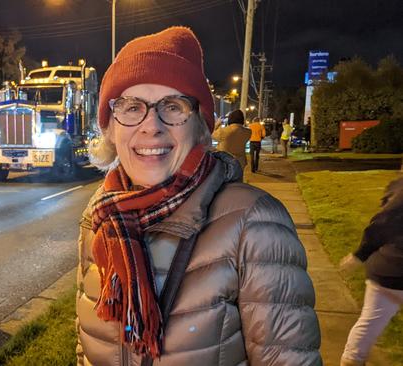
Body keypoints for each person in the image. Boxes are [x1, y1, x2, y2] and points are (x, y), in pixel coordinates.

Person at [76, 26, 321, 366]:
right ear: (111, 129)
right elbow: (85, 342)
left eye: (173, 106)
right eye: (132, 107)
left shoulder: (255, 222)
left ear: (201, 126)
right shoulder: (100, 214)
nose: (151, 125)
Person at [339, 170, 403, 366]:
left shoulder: (397, 186)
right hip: (393, 269)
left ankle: (352, 360)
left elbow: (384, 221)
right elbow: (385, 221)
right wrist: (360, 254)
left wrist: (361, 254)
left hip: (385, 270)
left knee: (369, 323)